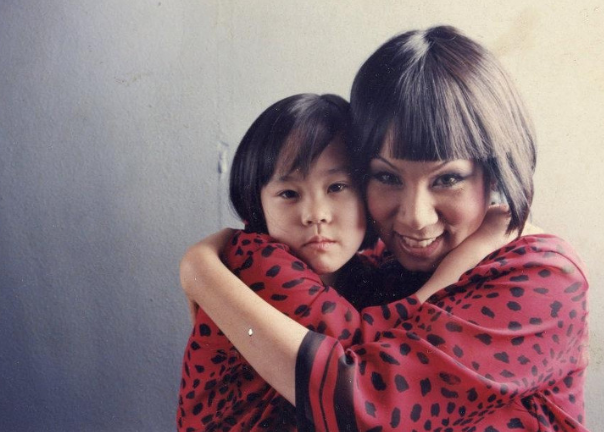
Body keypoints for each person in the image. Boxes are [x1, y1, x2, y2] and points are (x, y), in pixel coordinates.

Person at [181, 26, 589, 431]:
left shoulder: (543, 276)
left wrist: (201, 272)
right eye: (388, 177)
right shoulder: (375, 264)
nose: (415, 217)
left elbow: (367, 409)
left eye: (447, 179)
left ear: (495, 170)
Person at [177, 92, 514, 432]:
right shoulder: (257, 261)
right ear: (257, 204)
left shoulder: (359, 268)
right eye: (289, 194)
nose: (315, 214)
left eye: (337, 187)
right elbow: (362, 350)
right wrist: (474, 250)